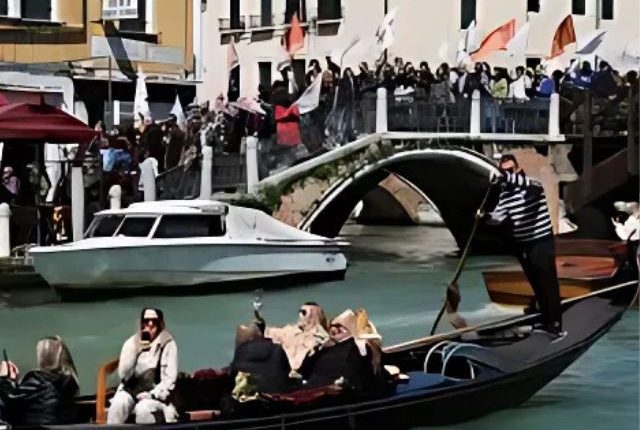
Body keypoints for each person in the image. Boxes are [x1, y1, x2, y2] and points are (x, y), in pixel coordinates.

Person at [484, 154, 564, 339]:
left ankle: (556, 324)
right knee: (535, 283)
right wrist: (484, 217)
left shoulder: (533, 185)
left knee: (548, 284)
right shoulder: (506, 194)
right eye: (504, 171)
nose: (507, 174)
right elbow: (498, 217)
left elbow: (531, 196)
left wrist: (504, 176)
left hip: (541, 241)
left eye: (510, 170)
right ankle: (545, 320)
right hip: (523, 245)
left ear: (518, 169)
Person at [107, 308, 178, 424]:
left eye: (154, 321)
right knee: (118, 404)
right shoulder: (131, 342)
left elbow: (169, 380)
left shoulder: (168, 343)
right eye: (147, 320)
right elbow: (123, 375)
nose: (150, 324)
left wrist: (152, 395)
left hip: (156, 394)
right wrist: (136, 352)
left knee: (143, 409)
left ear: (160, 323)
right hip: (131, 390)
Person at [1, 337, 79, 426]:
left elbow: (11, 404)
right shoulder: (69, 381)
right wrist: (12, 382)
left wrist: (3, 379)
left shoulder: (38, 380)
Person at [264, 303, 331, 378]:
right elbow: (271, 332)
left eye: (304, 312)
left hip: (304, 371)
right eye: (300, 311)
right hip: (284, 369)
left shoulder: (321, 335)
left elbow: (323, 342)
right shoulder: (289, 330)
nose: (300, 315)